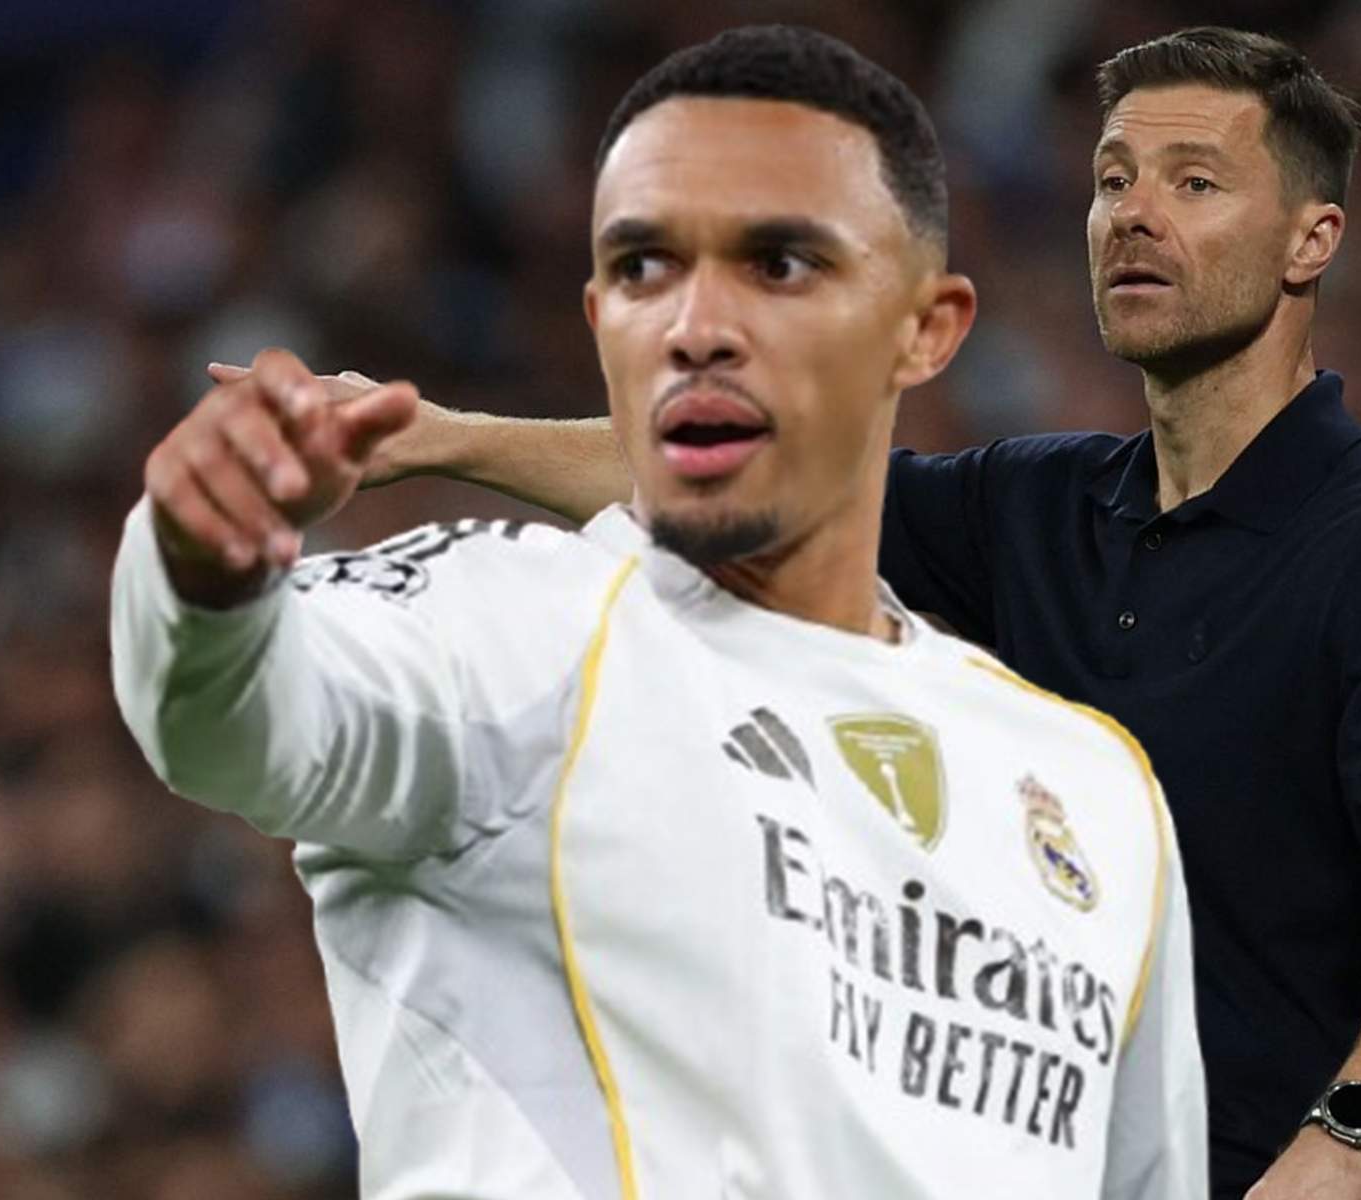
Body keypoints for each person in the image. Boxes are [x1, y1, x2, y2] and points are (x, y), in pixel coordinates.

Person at [271, 24, 1361, 1200]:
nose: (1132, 215)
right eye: (1110, 180)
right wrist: (437, 435)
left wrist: (1346, 1136)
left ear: (1311, 241)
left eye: (1193, 184)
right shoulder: (1039, 506)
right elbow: (742, 482)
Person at [113, 25, 1205, 1200]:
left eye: (779, 264)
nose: (695, 324)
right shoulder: (505, 629)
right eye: (642, 268)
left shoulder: (1093, 797)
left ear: (923, 328)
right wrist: (200, 564)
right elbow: (225, 716)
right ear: (598, 321)